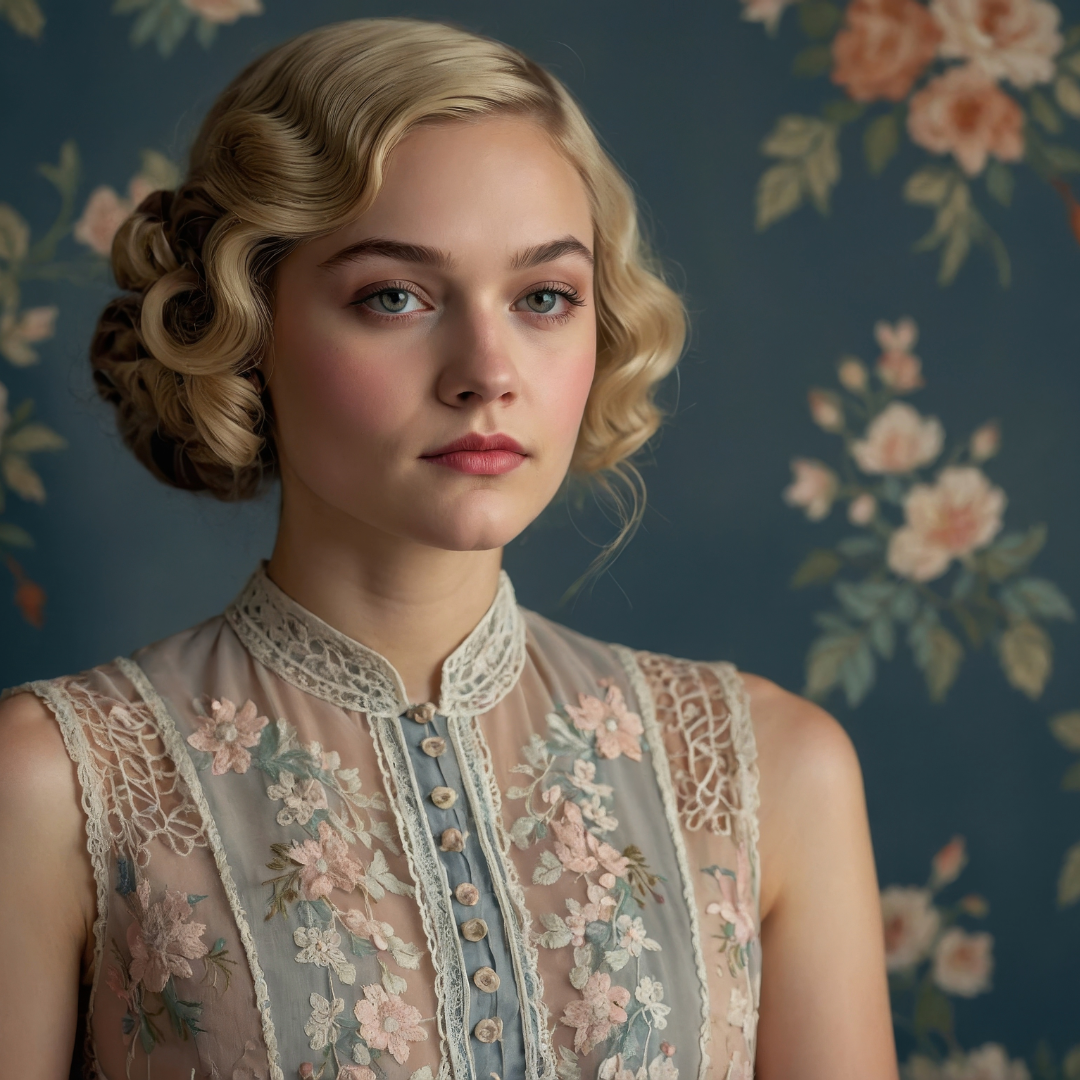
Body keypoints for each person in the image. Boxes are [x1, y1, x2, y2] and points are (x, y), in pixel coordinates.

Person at [0, 18, 897, 1080]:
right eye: (395, 296)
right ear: (247, 326)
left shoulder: (771, 772)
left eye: (543, 298)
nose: (488, 371)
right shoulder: (53, 784)